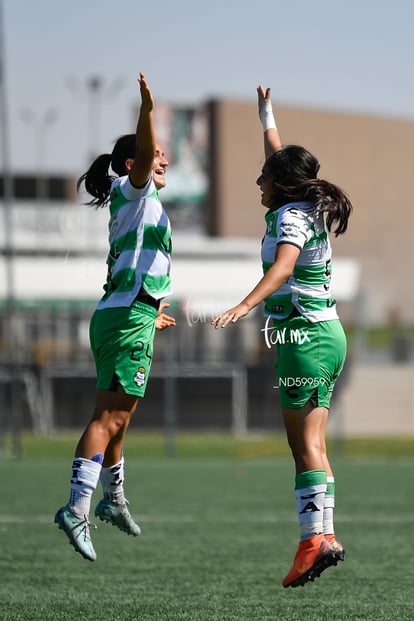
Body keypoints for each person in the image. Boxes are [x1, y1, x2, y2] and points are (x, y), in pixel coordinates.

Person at [212, 85, 352, 588]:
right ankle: (322, 537)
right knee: (311, 444)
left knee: (305, 446)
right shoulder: (300, 201)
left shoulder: (292, 215)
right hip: (323, 334)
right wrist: (266, 114)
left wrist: (243, 305)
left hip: (304, 337)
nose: (258, 180)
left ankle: (313, 543)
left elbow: (284, 267)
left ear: (284, 186)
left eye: (265, 177)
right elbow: (279, 158)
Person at [55, 73, 176, 562]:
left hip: (124, 314)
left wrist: (151, 309)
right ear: (134, 163)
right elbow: (145, 155)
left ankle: (113, 500)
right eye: (156, 152)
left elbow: (135, 266)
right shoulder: (137, 188)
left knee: (119, 421)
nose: (164, 159)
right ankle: (76, 509)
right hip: (125, 319)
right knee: (108, 419)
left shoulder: (140, 202)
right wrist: (146, 111)